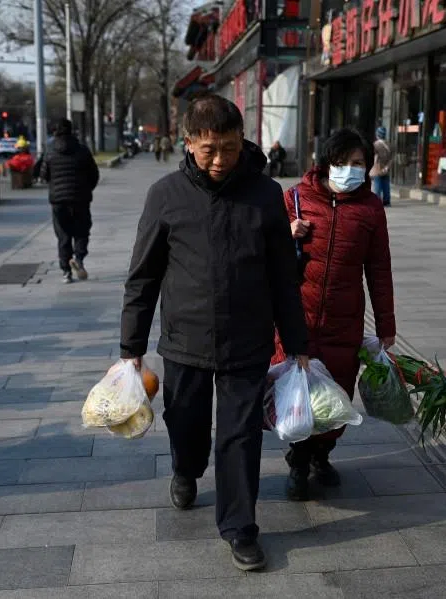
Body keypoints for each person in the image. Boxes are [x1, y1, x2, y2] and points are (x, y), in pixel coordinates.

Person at [120, 94, 310, 572]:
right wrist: (131, 350)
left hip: (247, 340)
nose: (221, 159)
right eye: (209, 150)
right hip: (184, 341)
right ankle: (186, 469)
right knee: (184, 425)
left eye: (229, 147)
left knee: (240, 437)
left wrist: (297, 345)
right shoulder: (165, 195)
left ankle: (241, 527)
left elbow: (284, 277)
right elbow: (142, 276)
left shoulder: (266, 195)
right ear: (188, 144)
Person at [273, 127, 396, 501]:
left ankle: (322, 455)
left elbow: (379, 268)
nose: (350, 170)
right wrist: (285, 233)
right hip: (298, 318)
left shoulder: (370, 209)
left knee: (336, 397)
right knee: (299, 397)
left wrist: (387, 324)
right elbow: (262, 252)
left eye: (358, 163)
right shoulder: (294, 198)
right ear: (326, 163)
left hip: (345, 319)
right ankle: (298, 461)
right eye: (342, 163)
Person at [40, 119, 100, 283]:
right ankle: (79, 259)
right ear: (71, 130)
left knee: (63, 235)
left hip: (59, 201)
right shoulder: (82, 149)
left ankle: (66, 271)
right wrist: (87, 189)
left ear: (55, 132)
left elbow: (44, 174)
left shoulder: (50, 151)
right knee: (82, 231)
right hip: (80, 198)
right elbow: (94, 174)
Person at [370, 126, 393, 206]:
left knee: (377, 186)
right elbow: (391, 158)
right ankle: (387, 201)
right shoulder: (389, 144)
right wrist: (387, 167)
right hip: (386, 168)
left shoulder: (375, 145)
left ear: (377, 135)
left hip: (378, 168)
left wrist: (373, 167)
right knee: (386, 186)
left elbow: (375, 158)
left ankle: (377, 202)